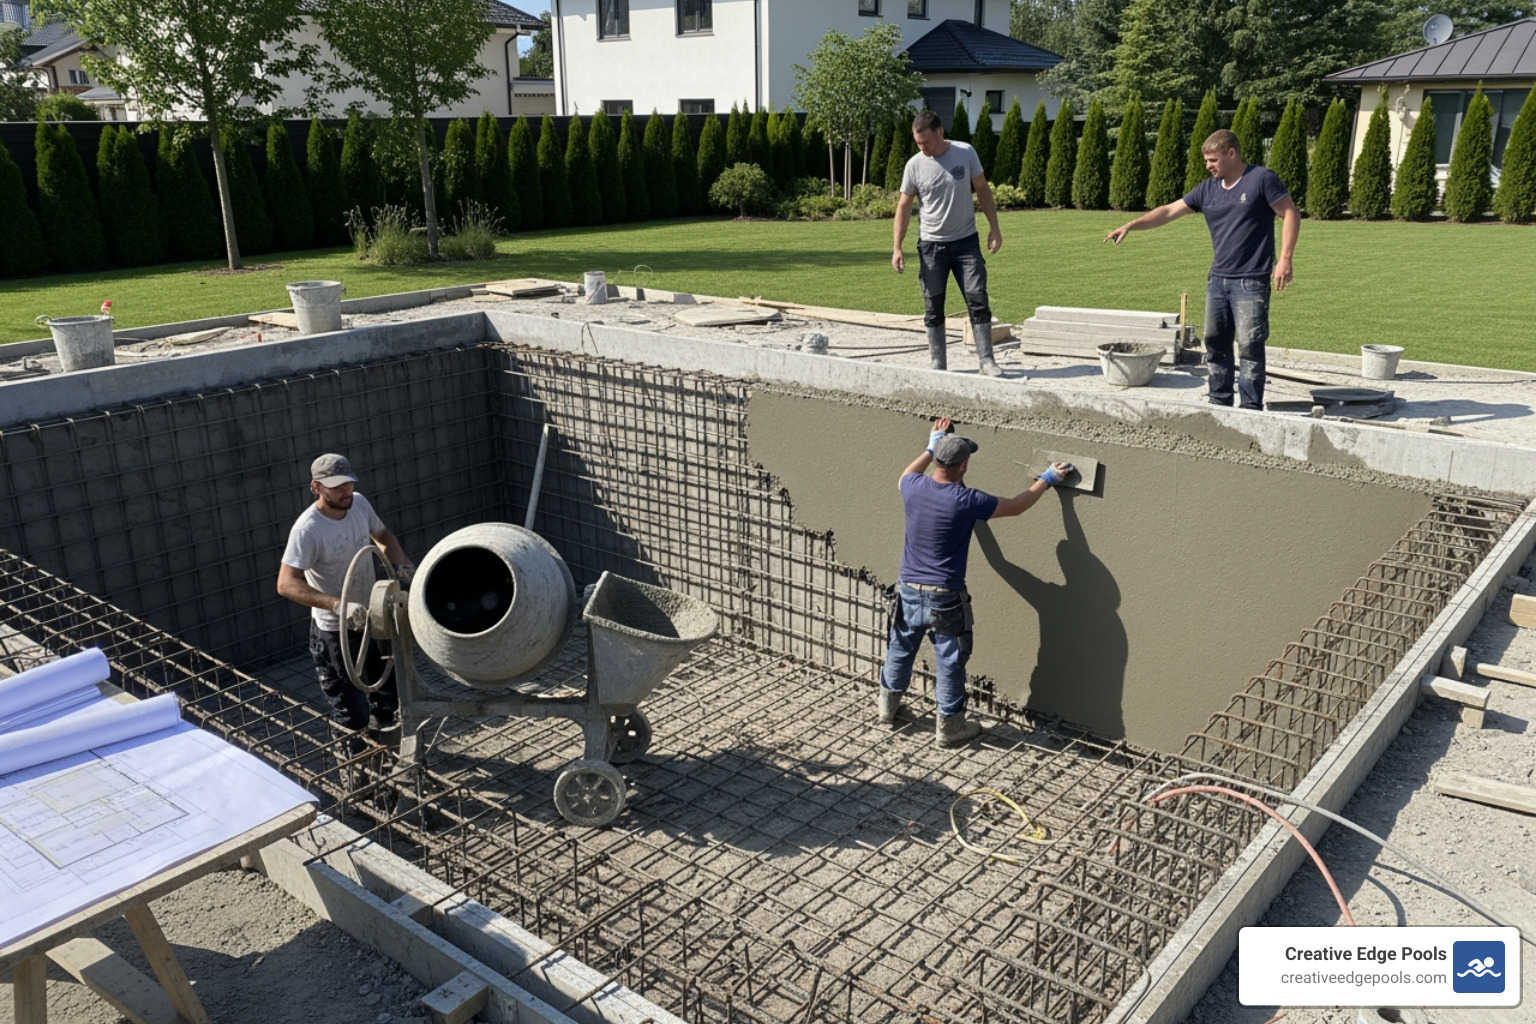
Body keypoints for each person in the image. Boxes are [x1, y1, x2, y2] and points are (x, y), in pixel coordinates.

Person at [878, 419, 1071, 746]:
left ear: (937, 462)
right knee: (950, 661)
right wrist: (1047, 480)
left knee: (900, 648)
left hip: (908, 588)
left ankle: (887, 709)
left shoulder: (913, 486)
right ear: (964, 465)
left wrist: (930, 447)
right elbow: (1017, 506)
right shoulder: (967, 501)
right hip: (945, 596)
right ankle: (950, 728)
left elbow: (905, 476)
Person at [1104, 128, 1300, 410]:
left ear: (1231, 153)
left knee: (1249, 346)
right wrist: (1131, 225)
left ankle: (1250, 409)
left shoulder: (1261, 180)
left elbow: (1290, 212)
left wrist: (1285, 258)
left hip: (1251, 281)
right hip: (1218, 279)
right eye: (1206, 160)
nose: (1208, 166)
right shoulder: (1207, 189)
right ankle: (1219, 403)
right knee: (1215, 343)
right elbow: (1170, 210)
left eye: (1212, 160)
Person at [278, 454, 415, 736]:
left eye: (348, 484)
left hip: (375, 618)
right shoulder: (308, 529)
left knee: (387, 696)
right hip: (336, 631)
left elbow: (383, 535)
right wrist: (337, 605)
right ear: (316, 487)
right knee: (351, 713)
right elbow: (286, 584)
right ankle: (356, 773)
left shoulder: (359, 504)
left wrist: (401, 564)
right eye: (336, 487)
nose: (345, 492)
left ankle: (385, 755)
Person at [892, 110, 1006, 376]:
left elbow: (982, 189)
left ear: (940, 133)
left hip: (966, 243)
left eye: (926, 142)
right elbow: (904, 206)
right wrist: (897, 247)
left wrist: (994, 228)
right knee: (933, 305)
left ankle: (986, 361)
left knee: (977, 298)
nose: (923, 148)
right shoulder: (914, 165)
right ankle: (938, 364)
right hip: (932, 246)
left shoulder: (965, 153)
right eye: (918, 143)